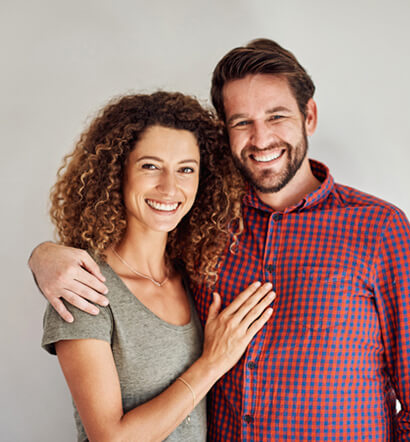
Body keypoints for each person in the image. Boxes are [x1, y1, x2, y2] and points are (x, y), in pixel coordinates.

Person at [30, 40, 410, 440]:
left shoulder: (379, 229)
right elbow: (130, 242)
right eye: (242, 122)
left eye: (276, 116)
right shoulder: (203, 223)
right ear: (224, 131)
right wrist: (42, 256)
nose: (261, 138)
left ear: (309, 116)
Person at [38, 90, 276, 441]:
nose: (169, 187)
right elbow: (111, 438)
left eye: (186, 170)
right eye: (150, 166)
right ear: (117, 171)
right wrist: (212, 364)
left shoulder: (194, 276)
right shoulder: (82, 288)